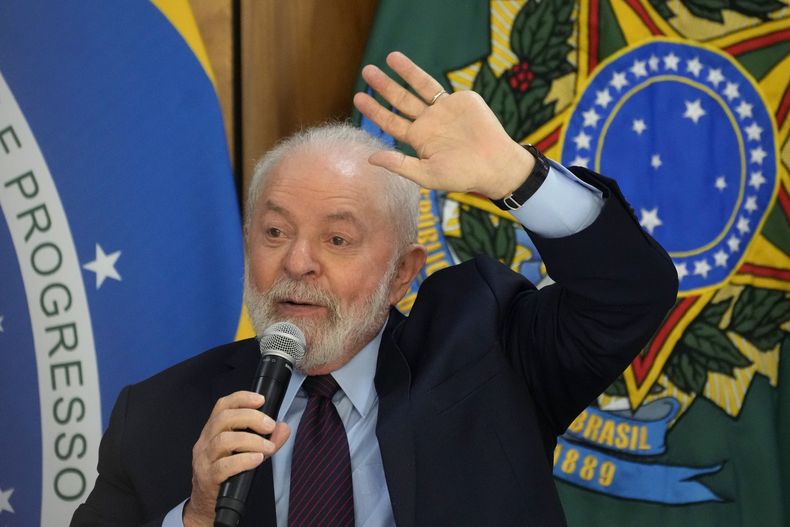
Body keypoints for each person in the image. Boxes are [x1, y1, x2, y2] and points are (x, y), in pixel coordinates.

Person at [71, 52, 677, 527]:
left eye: (337, 240)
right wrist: (197, 517)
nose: (298, 263)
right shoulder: (156, 417)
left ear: (403, 273)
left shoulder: (491, 352)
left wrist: (519, 177)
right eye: (275, 231)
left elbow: (629, 296)